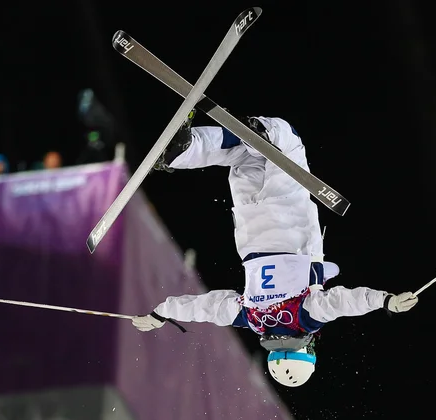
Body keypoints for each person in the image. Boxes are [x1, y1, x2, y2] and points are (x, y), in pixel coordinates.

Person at [132, 110, 419, 387]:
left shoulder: (306, 317)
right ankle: (186, 151)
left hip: (287, 224)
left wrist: (386, 301)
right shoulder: (250, 319)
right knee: (244, 158)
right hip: (248, 227)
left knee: (287, 143)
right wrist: (162, 313)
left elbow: (344, 303)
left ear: (305, 351)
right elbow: (206, 308)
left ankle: (265, 131)